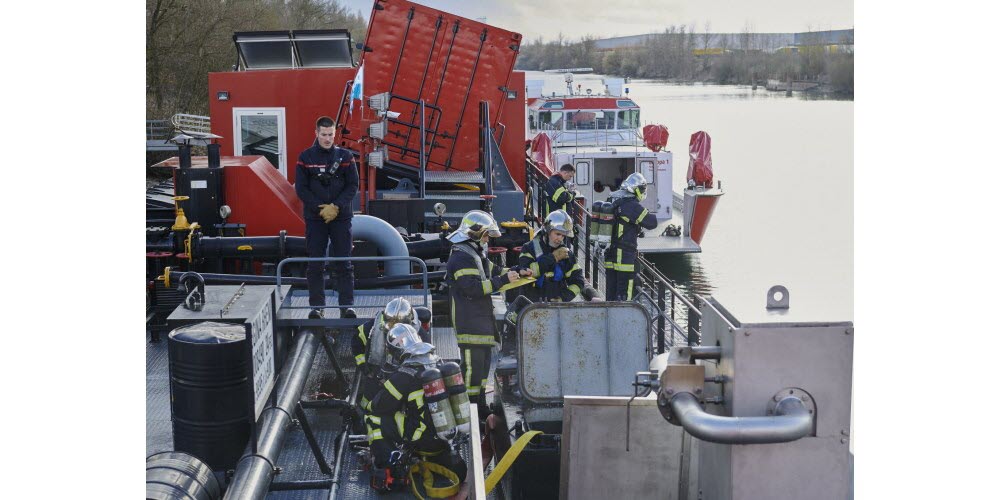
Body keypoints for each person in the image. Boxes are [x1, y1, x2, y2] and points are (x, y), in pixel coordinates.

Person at [365, 329, 464, 492]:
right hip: (446, 436)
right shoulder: (437, 362)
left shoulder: (405, 374)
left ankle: (391, 463)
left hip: (421, 438)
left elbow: (379, 406)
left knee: (373, 418)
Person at [445, 210, 519, 408]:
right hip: (469, 322)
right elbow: (473, 288)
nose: (487, 239)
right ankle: (469, 410)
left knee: (483, 367)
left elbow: (493, 270)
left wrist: (517, 272)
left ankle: (480, 406)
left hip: (480, 321)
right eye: (486, 235)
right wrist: (503, 280)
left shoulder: (474, 252)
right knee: (472, 370)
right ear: (475, 233)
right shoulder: (461, 257)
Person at [294, 116, 359, 319]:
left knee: (344, 263)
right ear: (316, 133)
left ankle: (347, 306)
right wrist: (319, 208)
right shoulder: (305, 158)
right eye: (324, 134)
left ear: (334, 134)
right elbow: (301, 188)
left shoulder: (346, 156)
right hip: (315, 219)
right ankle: (317, 307)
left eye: (331, 134)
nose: (328, 138)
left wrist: (336, 207)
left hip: (341, 218)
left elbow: (353, 186)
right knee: (315, 264)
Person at [351, 299, 431, 411]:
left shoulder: (419, 334)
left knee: (399, 406)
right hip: (376, 373)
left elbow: (424, 358)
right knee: (369, 401)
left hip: (403, 376)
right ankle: (365, 419)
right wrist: (364, 366)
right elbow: (357, 341)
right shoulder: (373, 328)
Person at [605, 173, 658, 301]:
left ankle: (611, 316)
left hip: (610, 253)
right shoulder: (632, 205)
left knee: (611, 289)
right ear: (636, 190)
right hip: (624, 255)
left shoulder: (613, 199)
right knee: (625, 293)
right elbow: (652, 222)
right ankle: (623, 318)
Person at [516, 210, 585, 302]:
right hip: (530, 305)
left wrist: (563, 298)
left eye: (563, 236)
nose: (560, 239)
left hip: (556, 308)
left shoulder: (566, 254)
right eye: (557, 234)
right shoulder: (529, 248)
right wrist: (553, 258)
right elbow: (528, 272)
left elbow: (578, 282)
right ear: (547, 231)